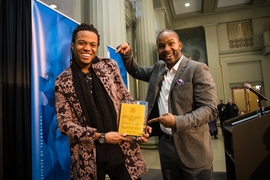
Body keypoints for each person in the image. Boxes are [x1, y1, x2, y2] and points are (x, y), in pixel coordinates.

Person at [116, 29, 218, 180]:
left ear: (180, 45)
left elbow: (210, 109)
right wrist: (127, 53)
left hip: (194, 150)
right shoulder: (159, 67)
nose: (167, 49)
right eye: (161, 46)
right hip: (166, 149)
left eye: (171, 44)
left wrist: (177, 121)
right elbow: (136, 71)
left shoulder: (197, 69)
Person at [55, 23, 151, 180]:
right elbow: (64, 124)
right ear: (73, 45)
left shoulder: (109, 66)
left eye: (92, 44)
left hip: (122, 147)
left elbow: (125, 98)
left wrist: (139, 126)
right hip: (88, 155)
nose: (87, 48)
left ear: (97, 47)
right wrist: (101, 136)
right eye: (82, 43)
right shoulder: (62, 81)